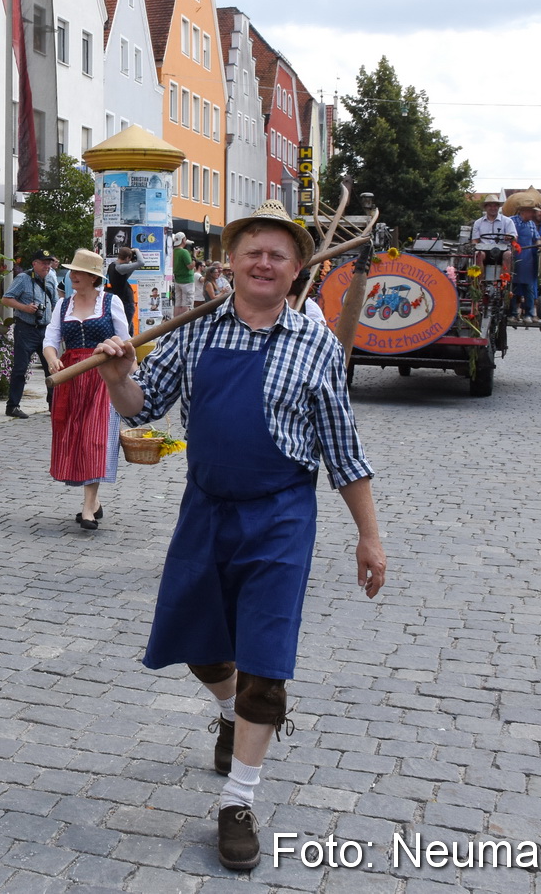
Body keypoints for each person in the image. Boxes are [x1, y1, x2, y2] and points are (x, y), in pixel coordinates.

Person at [91, 199, 385, 872]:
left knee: (266, 664)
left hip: (282, 516)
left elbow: (343, 450)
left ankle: (239, 799)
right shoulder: (195, 331)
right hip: (206, 509)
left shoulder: (315, 344)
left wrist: (369, 536)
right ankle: (228, 712)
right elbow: (143, 406)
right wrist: (116, 377)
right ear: (231, 261)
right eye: (254, 251)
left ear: (295, 269)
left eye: (278, 254)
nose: (264, 263)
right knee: (203, 649)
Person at [42, 250, 129, 530]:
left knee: (95, 437)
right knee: (76, 436)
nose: (73, 276)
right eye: (72, 271)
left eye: (79, 272)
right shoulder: (63, 304)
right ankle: (95, 501)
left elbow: (126, 341)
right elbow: (50, 339)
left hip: (102, 376)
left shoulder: (111, 302)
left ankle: (88, 508)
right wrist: (52, 359)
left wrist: (129, 376)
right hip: (71, 376)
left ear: (93, 277)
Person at [2, 251, 59, 418]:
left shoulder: (50, 279)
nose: (47, 266)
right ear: (34, 263)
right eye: (43, 263)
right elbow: (6, 299)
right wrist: (25, 308)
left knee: (52, 368)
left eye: (49, 263)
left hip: (45, 330)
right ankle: (12, 406)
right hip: (25, 329)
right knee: (20, 369)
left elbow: (55, 304)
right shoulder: (23, 279)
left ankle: (54, 406)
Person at [469, 195, 516, 279]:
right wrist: (475, 247)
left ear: (498, 207)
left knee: (508, 254)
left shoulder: (507, 221)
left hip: (502, 250)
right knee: (478, 255)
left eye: (495, 206)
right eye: (490, 206)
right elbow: (475, 240)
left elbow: (515, 238)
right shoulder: (478, 222)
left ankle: (504, 283)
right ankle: (479, 283)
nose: (493, 208)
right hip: (484, 250)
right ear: (485, 207)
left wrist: (509, 237)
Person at [511, 205, 541, 319]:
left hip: (528, 258)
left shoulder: (531, 224)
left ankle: (529, 314)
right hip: (514, 257)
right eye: (531, 212)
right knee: (513, 286)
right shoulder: (511, 221)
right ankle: (512, 313)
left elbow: (537, 238)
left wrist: (539, 245)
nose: (533, 214)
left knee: (528, 287)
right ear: (523, 211)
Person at [106, 247, 138, 327]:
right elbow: (141, 262)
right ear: (127, 258)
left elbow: (125, 276)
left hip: (118, 298)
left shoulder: (112, 265)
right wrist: (136, 251)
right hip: (126, 300)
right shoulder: (121, 268)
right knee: (126, 326)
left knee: (128, 326)